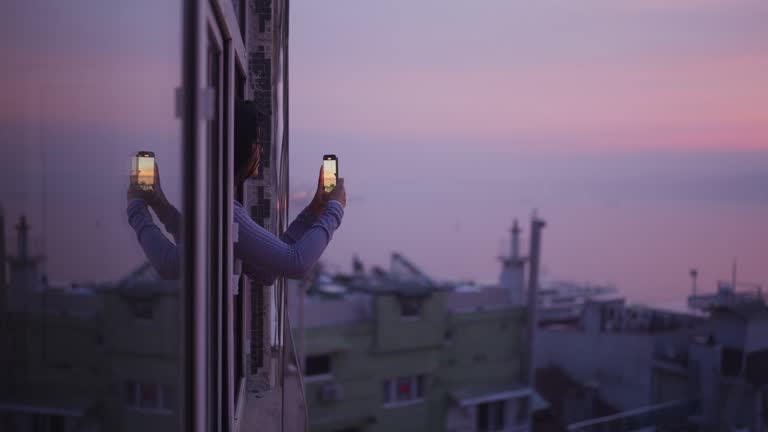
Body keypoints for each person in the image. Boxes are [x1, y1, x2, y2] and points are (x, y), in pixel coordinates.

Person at [126, 101, 346, 282]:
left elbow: (268, 271)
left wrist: (314, 211)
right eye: (257, 142)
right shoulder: (227, 213)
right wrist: (334, 210)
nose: (260, 150)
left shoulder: (217, 208)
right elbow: (297, 264)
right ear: (242, 146)